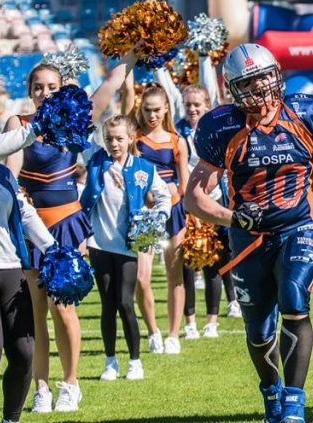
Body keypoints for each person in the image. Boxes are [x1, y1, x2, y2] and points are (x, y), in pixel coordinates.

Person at [186, 43, 313, 423]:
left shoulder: (307, 112)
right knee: (257, 329)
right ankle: (271, 390)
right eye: (249, 83)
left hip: (299, 226)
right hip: (248, 237)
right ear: (233, 89)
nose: (260, 89)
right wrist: (233, 216)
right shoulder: (222, 126)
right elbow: (195, 196)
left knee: (294, 297)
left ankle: (294, 400)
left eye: (264, 77)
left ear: (277, 74)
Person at [4, 51, 136, 413]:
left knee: (63, 308)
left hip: (66, 224)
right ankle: (41, 387)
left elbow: (110, 84)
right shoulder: (20, 121)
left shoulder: (77, 120)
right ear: (30, 91)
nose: (45, 93)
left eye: (51, 87)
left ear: (62, 89)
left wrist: (133, 50)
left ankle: (70, 384)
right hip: (32, 226)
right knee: (34, 311)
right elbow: (11, 172)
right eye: (38, 87)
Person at [0, 105, 61, 423]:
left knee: (23, 350)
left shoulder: (2, 176)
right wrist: (41, 125)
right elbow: (15, 139)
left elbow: (25, 212)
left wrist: (54, 249)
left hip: (10, 269)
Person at [82, 114, 172, 383]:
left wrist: (159, 217)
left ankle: (135, 360)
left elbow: (164, 195)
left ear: (131, 138)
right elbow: (80, 139)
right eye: (109, 139)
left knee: (124, 301)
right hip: (99, 244)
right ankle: (111, 361)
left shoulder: (143, 167)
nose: (114, 143)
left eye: (120, 138)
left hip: (129, 246)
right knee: (107, 304)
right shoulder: (96, 161)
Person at [177, 84, 240, 340]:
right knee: (188, 263)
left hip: (216, 202)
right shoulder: (179, 133)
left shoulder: (217, 130)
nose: (192, 109)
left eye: (197, 105)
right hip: (190, 205)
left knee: (220, 259)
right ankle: (190, 320)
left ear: (207, 106)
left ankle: (220, 311)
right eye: (188, 105)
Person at [134, 84, 190, 353]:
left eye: (157, 110)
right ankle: (153, 331)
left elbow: (185, 184)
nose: (152, 115)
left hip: (174, 210)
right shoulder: (135, 138)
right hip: (145, 214)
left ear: (166, 108)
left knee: (174, 274)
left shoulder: (177, 140)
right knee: (141, 277)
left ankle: (173, 334)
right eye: (147, 110)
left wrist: (190, 213)